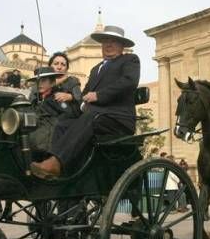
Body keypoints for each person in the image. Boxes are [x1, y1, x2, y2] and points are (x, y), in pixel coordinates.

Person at [30, 25, 139, 179]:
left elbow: (129, 82)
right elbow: (85, 94)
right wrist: (80, 104)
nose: (108, 44)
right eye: (105, 41)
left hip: (118, 119)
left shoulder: (129, 60)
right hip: (97, 117)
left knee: (91, 117)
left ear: (122, 45)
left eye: (113, 41)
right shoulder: (96, 69)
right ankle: (60, 168)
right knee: (64, 123)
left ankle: (56, 162)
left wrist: (99, 96)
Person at [26, 66, 81, 155]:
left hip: (48, 143)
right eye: (38, 81)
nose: (39, 84)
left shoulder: (57, 98)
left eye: (43, 81)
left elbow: (68, 114)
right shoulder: (36, 99)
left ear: (52, 83)